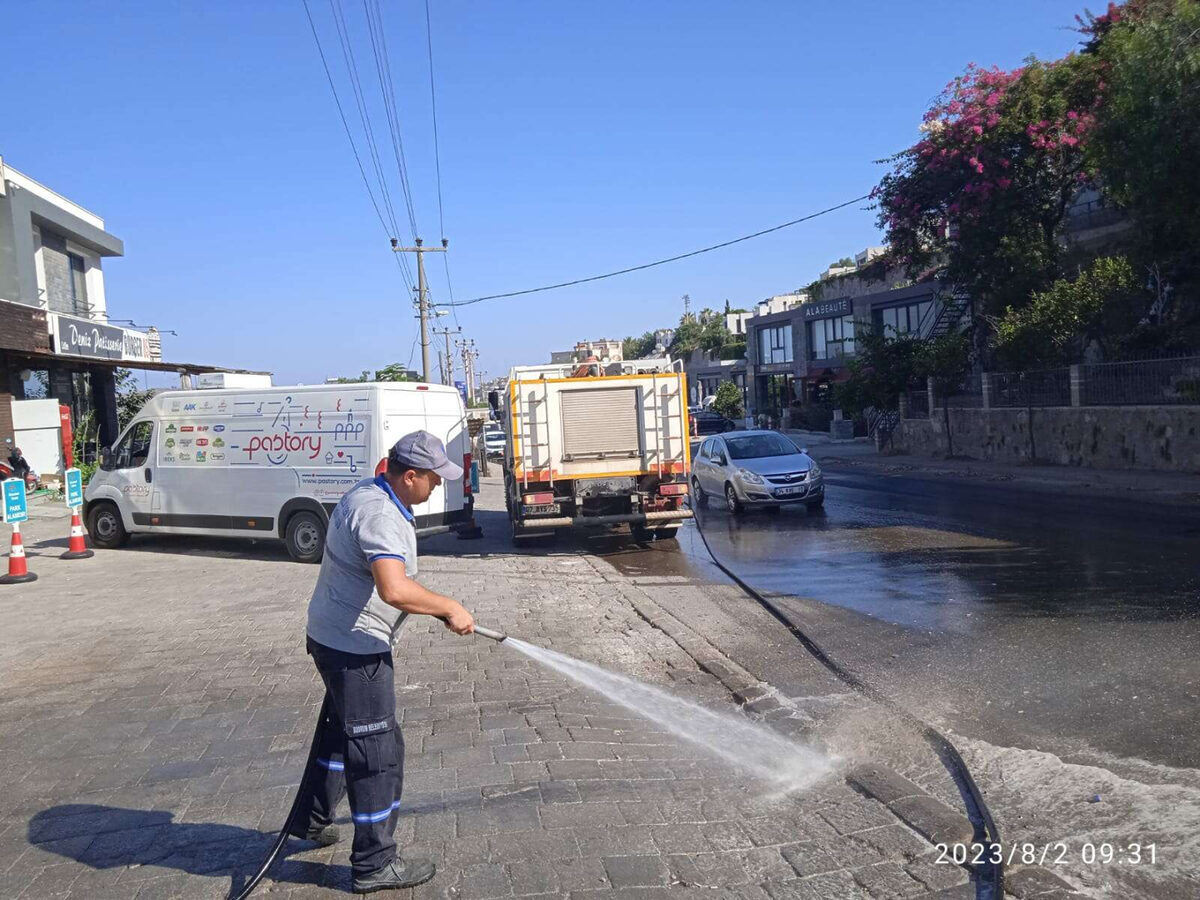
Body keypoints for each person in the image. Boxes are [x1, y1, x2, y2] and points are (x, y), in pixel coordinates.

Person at [296, 430, 475, 894]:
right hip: (356, 651)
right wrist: (448, 606)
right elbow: (393, 589)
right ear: (409, 474)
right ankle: (375, 862)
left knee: (342, 732)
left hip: (330, 637)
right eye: (433, 478)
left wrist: (432, 606)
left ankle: (312, 821)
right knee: (378, 752)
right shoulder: (381, 514)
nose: (438, 486)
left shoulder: (369, 489)